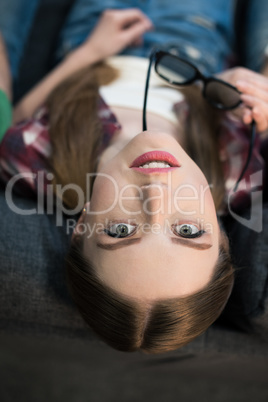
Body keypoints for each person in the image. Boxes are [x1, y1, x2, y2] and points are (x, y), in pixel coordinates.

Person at [0, 0, 267, 353]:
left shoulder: (36, 167)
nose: (155, 195)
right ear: (222, 234)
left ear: (81, 228)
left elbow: (18, 117)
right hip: (192, 29)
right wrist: (241, 89)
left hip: (98, 30)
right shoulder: (238, 173)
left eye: (121, 230)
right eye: (187, 230)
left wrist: (87, 52)